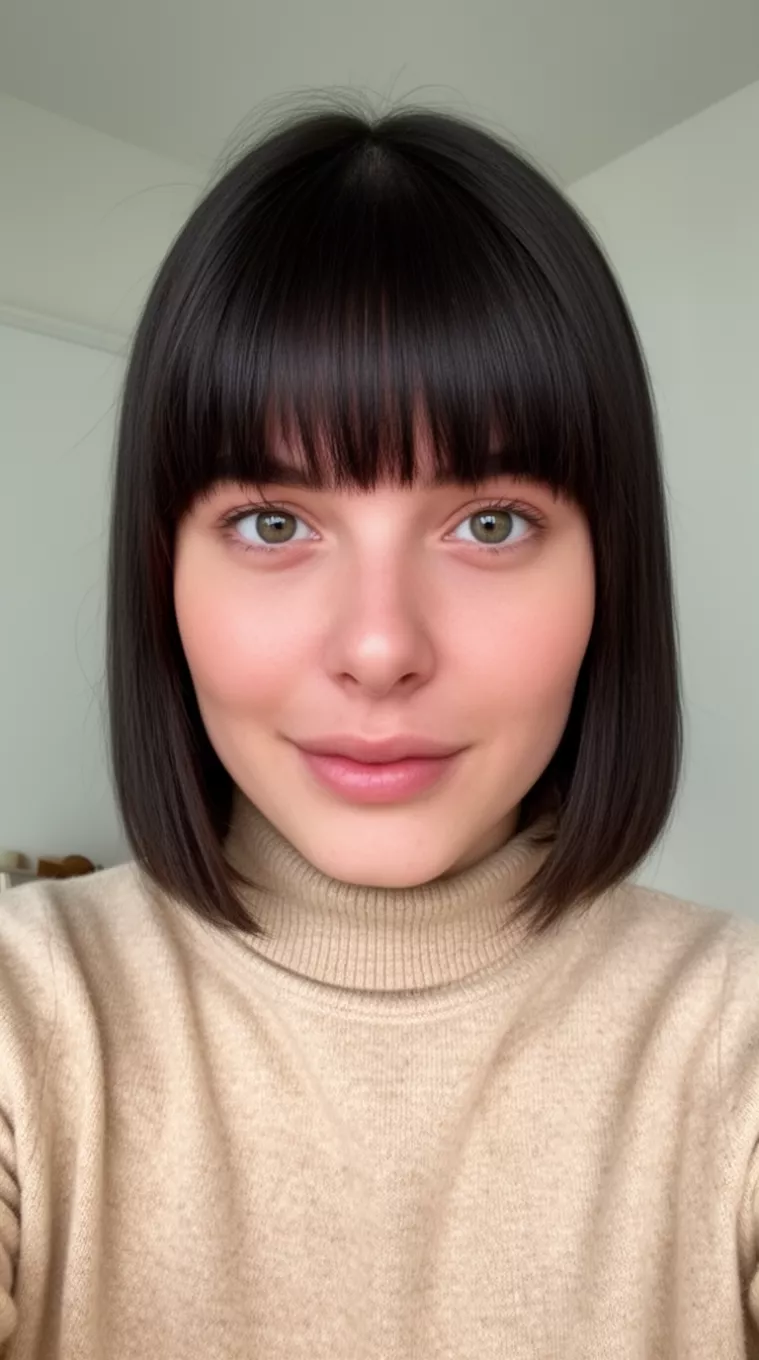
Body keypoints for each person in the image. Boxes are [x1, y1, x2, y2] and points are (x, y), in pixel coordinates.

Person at [0, 92, 757, 1360]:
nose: (380, 648)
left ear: (610, 572)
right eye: (275, 523)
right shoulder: (30, 1016)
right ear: (160, 576)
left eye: (492, 521)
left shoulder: (732, 1039)